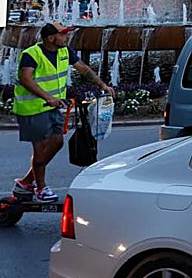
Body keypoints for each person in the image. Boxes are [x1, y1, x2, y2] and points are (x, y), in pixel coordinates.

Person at [12, 23, 116, 202]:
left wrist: (102, 85)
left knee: (57, 142)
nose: (66, 37)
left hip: (52, 107)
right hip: (32, 109)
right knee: (40, 150)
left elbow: (84, 69)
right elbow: (26, 79)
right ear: (51, 38)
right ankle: (41, 188)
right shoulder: (32, 54)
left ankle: (26, 182)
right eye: (63, 34)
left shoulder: (65, 51)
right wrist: (48, 97)